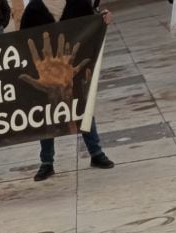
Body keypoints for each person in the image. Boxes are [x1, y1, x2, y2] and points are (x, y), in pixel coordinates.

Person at [28, 0, 115, 180]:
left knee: (82, 108)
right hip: (48, 72)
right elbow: (23, 39)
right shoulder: (35, 7)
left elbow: (92, 23)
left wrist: (103, 18)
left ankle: (96, 153)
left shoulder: (78, 2)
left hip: (74, 69)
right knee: (48, 114)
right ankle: (46, 162)